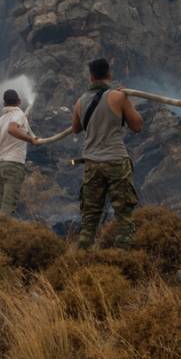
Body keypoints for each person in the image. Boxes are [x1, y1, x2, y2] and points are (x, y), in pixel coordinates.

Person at [72, 58, 143, 248]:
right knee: (124, 214)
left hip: (92, 164)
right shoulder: (118, 97)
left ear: (91, 77)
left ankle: (82, 256)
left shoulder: (80, 102)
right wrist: (127, 102)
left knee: (90, 216)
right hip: (116, 161)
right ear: (109, 75)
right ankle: (122, 256)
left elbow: (75, 129)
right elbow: (137, 126)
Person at [0, 89, 39, 216]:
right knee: (7, 208)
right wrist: (31, 139)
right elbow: (12, 129)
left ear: (4, 104)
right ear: (19, 101)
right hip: (13, 165)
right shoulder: (18, 114)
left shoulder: (0, 120)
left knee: (2, 206)